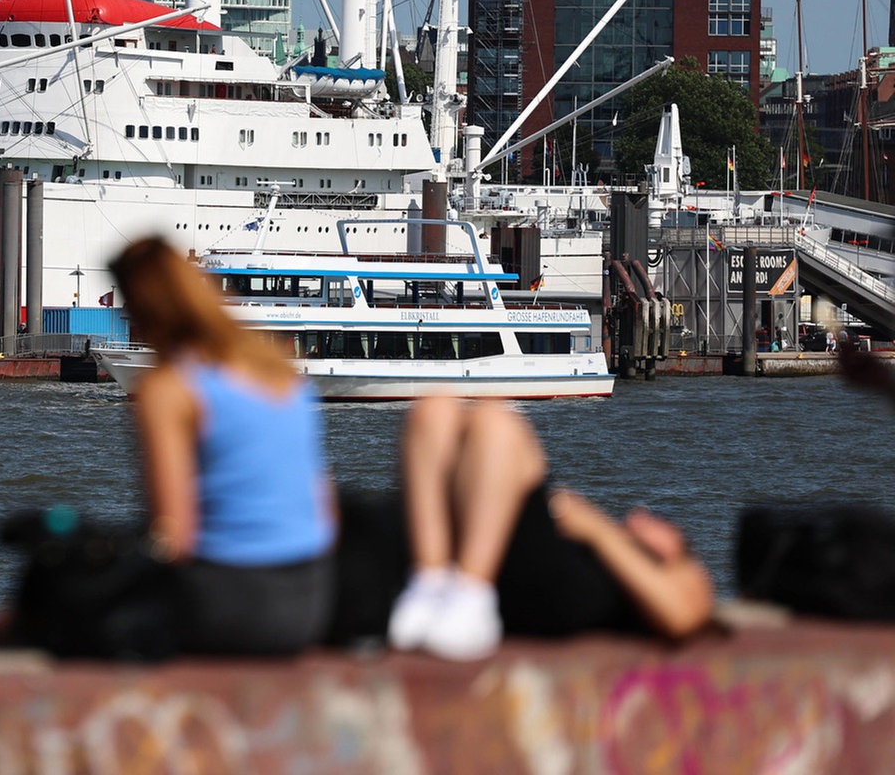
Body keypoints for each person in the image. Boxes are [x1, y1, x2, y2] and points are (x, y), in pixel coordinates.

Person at [343, 396, 714, 660]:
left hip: (545, 579)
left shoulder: (675, 576)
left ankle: (470, 594)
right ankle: (430, 585)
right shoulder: (611, 549)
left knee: (497, 422)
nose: (640, 515)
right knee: (433, 411)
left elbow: (682, 614)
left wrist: (603, 531)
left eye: (661, 522)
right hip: (519, 556)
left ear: (675, 549)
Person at [106, 236, 333, 656]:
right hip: (309, 599)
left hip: (230, 601)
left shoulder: (170, 389)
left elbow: (175, 533)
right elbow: (324, 507)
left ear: (143, 309)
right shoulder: (278, 373)